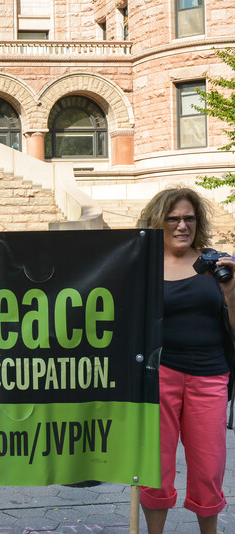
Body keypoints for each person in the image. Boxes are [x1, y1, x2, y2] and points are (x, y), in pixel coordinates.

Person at [139, 186, 235, 534]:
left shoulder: (214, 266)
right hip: (158, 377)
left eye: (189, 218)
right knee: (156, 467)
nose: (182, 225)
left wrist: (232, 292)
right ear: (157, 222)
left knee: (209, 469)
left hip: (210, 377)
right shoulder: (143, 267)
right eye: (173, 218)